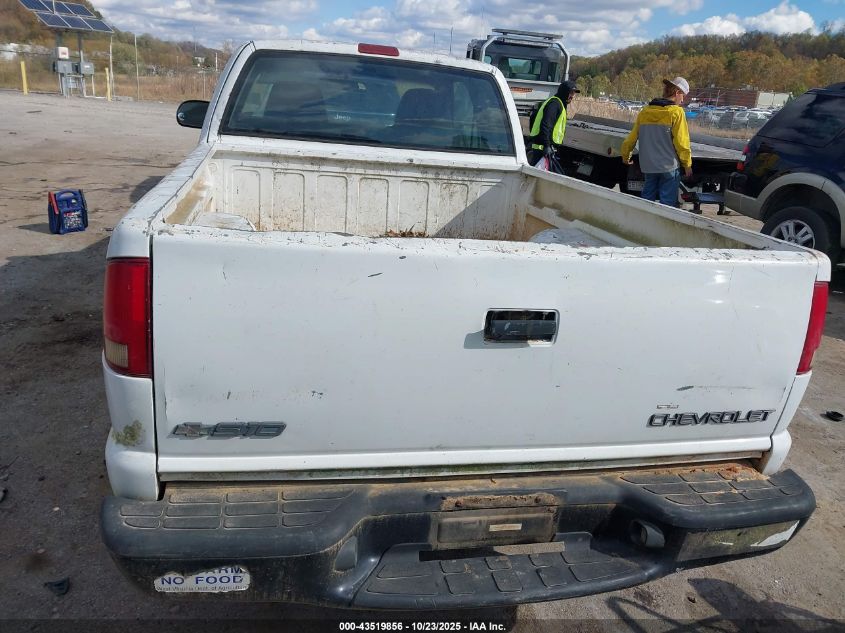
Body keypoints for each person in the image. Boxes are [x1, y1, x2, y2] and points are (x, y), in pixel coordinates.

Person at [620, 77, 692, 207]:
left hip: (648, 167)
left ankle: (644, 224)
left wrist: (626, 156)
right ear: (677, 92)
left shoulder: (645, 112)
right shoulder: (676, 112)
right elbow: (682, 142)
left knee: (647, 201)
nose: (683, 100)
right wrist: (687, 164)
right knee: (667, 205)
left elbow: (630, 139)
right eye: (683, 96)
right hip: (669, 166)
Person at [527, 80, 580, 171]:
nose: (572, 96)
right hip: (542, 150)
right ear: (564, 92)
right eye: (571, 93)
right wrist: (547, 146)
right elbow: (546, 125)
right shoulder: (554, 104)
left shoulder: (560, 103)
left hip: (546, 149)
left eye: (573, 93)